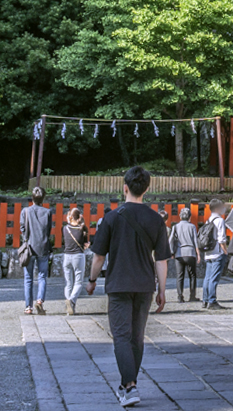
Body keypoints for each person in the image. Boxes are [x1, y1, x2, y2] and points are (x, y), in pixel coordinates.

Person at [85, 166, 170, 408]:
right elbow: (162, 259)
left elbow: (99, 257)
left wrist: (92, 281)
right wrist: (162, 290)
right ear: (147, 189)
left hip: (119, 283)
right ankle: (127, 385)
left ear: (125, 187)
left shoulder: (112, 217)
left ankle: (130, 386)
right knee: (137, 337)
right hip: (144, 285)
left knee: (121, 336)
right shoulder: (156, 219)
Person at [19, 186, 54, 315]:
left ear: (32, 198)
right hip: (43, 246)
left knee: (28, 278)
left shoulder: (26, 211)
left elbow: (22, 228)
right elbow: (48, 230)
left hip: (29, 247)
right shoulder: (48, 212)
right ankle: (40, 300)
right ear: (43, 199)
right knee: (42, 276)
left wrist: (26, 238)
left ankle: (28, 307)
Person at [199, 200, 228, 310]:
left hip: (208, 253)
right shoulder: (220, 220)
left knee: (207, 277)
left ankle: (205, 300)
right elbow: (221, 239)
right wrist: (225, 251)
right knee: (214, 278)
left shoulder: (208, 220)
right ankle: (212, 300)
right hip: (217, 252)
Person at [62, 207, 88, 315]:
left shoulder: (65, 228)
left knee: (69, 283)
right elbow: (86, 244)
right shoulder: (82, 229)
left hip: (67, 256)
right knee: (78, 282)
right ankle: (72, 301)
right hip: (78, 256)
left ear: (70, 217)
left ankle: (69, 308)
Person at [170, 208, 199, 303]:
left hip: (179, 253)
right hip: (190, 252)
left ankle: (180, 296)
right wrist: (198, 254)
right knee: (192, 275)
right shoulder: (192, 227)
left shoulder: (175, 226)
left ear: (180, 216)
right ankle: (192, 296)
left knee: (179, 276)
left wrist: (171, 252)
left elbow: (170, 240)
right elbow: (195, 241)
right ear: (190, 217)